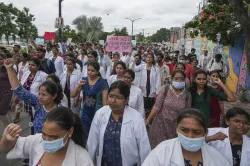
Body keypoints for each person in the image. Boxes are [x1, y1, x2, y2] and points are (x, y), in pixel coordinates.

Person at [0, 107, 94, 166]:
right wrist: (7, 139)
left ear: (70, 132)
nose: (47, 141)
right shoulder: (36, 141)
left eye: (54, 137)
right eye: (44, 134)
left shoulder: (82, 160)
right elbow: (5, 149)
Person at [87, 81, 151, 166]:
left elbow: (144, 147)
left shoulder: (136, 118)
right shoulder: (100, 114)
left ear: (126, 100)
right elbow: (92, 142)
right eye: (111, 96)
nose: (113, 101)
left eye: (118, 97)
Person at [142, 108, 231, 166]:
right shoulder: (161, 152)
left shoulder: (216, 158)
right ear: (177, 128)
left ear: (205, 133)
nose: (190, 136)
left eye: (197, 132)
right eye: (184, 130)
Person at [4, 58, 64, 134]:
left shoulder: (61, 112)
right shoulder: (38, 104)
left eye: (44, 95)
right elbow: (20, 90)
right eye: (39, 93)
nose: (40, 97)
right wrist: (10, 69)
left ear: (54, 95)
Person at [146, 70, 192, 149]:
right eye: (176, 79)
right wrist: (148, 119)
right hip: (161, 125)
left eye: (181, 79)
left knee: (172, 149)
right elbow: (157, 106)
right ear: (172, 79)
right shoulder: (165, 89)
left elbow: (187, 112)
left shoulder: (187, 94)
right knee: (159, 148)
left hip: (176, 127)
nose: (179, 81)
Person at [71, 62, 108, 134]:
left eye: (92, 71)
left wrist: (105, 116)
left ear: (97, 71)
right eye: (88, 70)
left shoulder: (103, 82)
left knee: (95, 134)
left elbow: (104, 102)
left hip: (97, 113)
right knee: (84, 133)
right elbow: (72, 95)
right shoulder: (84, 80)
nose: (89, 72)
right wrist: (78, 86)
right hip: (85, 112)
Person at [131, 53, 161, 118]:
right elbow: (133, 69)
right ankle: (142, 119)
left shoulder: (156, 68)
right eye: (148, 57)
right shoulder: (142, 66)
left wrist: (157, 92)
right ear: (145, 58)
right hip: (143, 89)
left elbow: (158, 81)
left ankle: (148, 120)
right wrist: (133, 61)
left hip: (152, 90)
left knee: (150, 106)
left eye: (151, 57)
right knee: (142, 107)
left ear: (153, 59)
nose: (149, 58)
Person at [0, 53, 13, 126]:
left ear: (5, 59)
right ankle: (13, 128)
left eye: (1, 59)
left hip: (7, 92)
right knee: (5, 112)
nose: (0, 61)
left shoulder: (9, 67)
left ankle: (10, 131)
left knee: (2, 111)